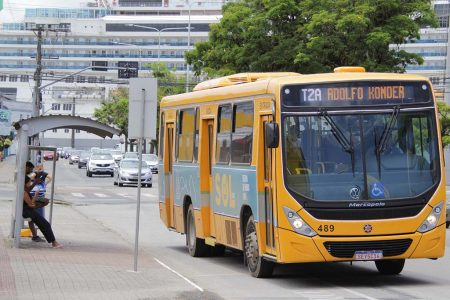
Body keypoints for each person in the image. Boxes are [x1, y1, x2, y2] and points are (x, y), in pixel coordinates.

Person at [23, 176, 62, 248]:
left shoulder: (24, 190)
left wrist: (35, 183)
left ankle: (54, 242)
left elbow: (29, 190)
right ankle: (54, 243)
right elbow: (31, 205)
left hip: (27, 210)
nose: (30, 183)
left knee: (43, 224)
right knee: (45, 224)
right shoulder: (24, 193)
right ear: (25, 184)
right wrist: (35, 196)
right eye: (29, 182)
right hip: (27, 211)